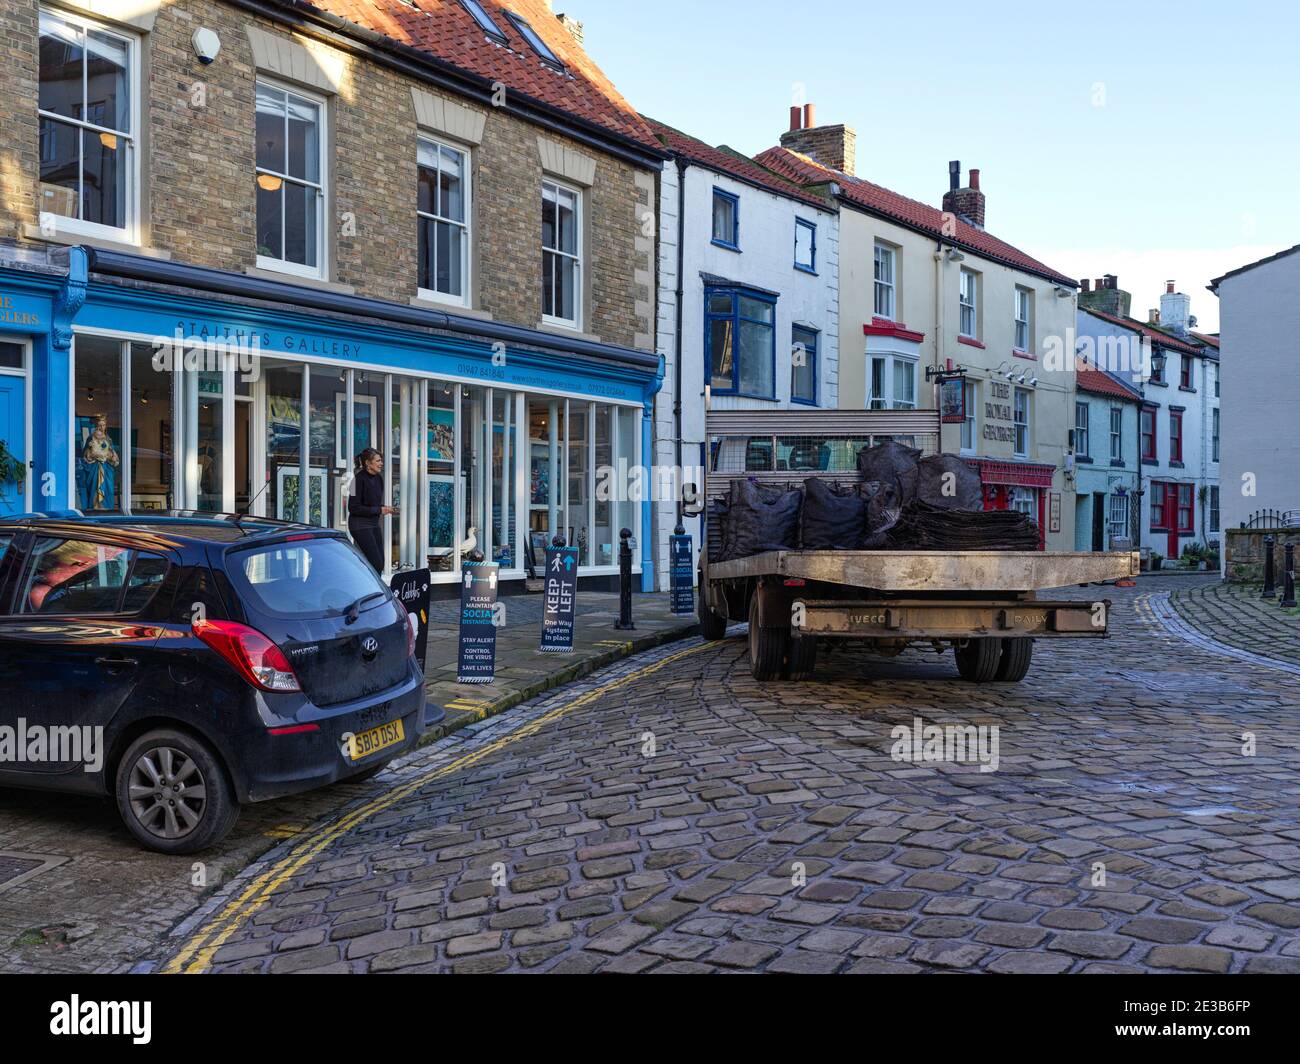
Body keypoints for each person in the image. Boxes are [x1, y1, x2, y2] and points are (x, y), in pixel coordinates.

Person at [348, 447, 396, 573]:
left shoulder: (379, 479)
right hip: (359, 525)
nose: (381, 463)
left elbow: (373, 504)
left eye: (381, 460)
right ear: (368, 463)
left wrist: (386, 508)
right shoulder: (356, 480)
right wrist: (379, 510)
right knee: (376, 563)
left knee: (380, 563)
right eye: (378, 461)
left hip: (373, 524)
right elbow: (353, 508)